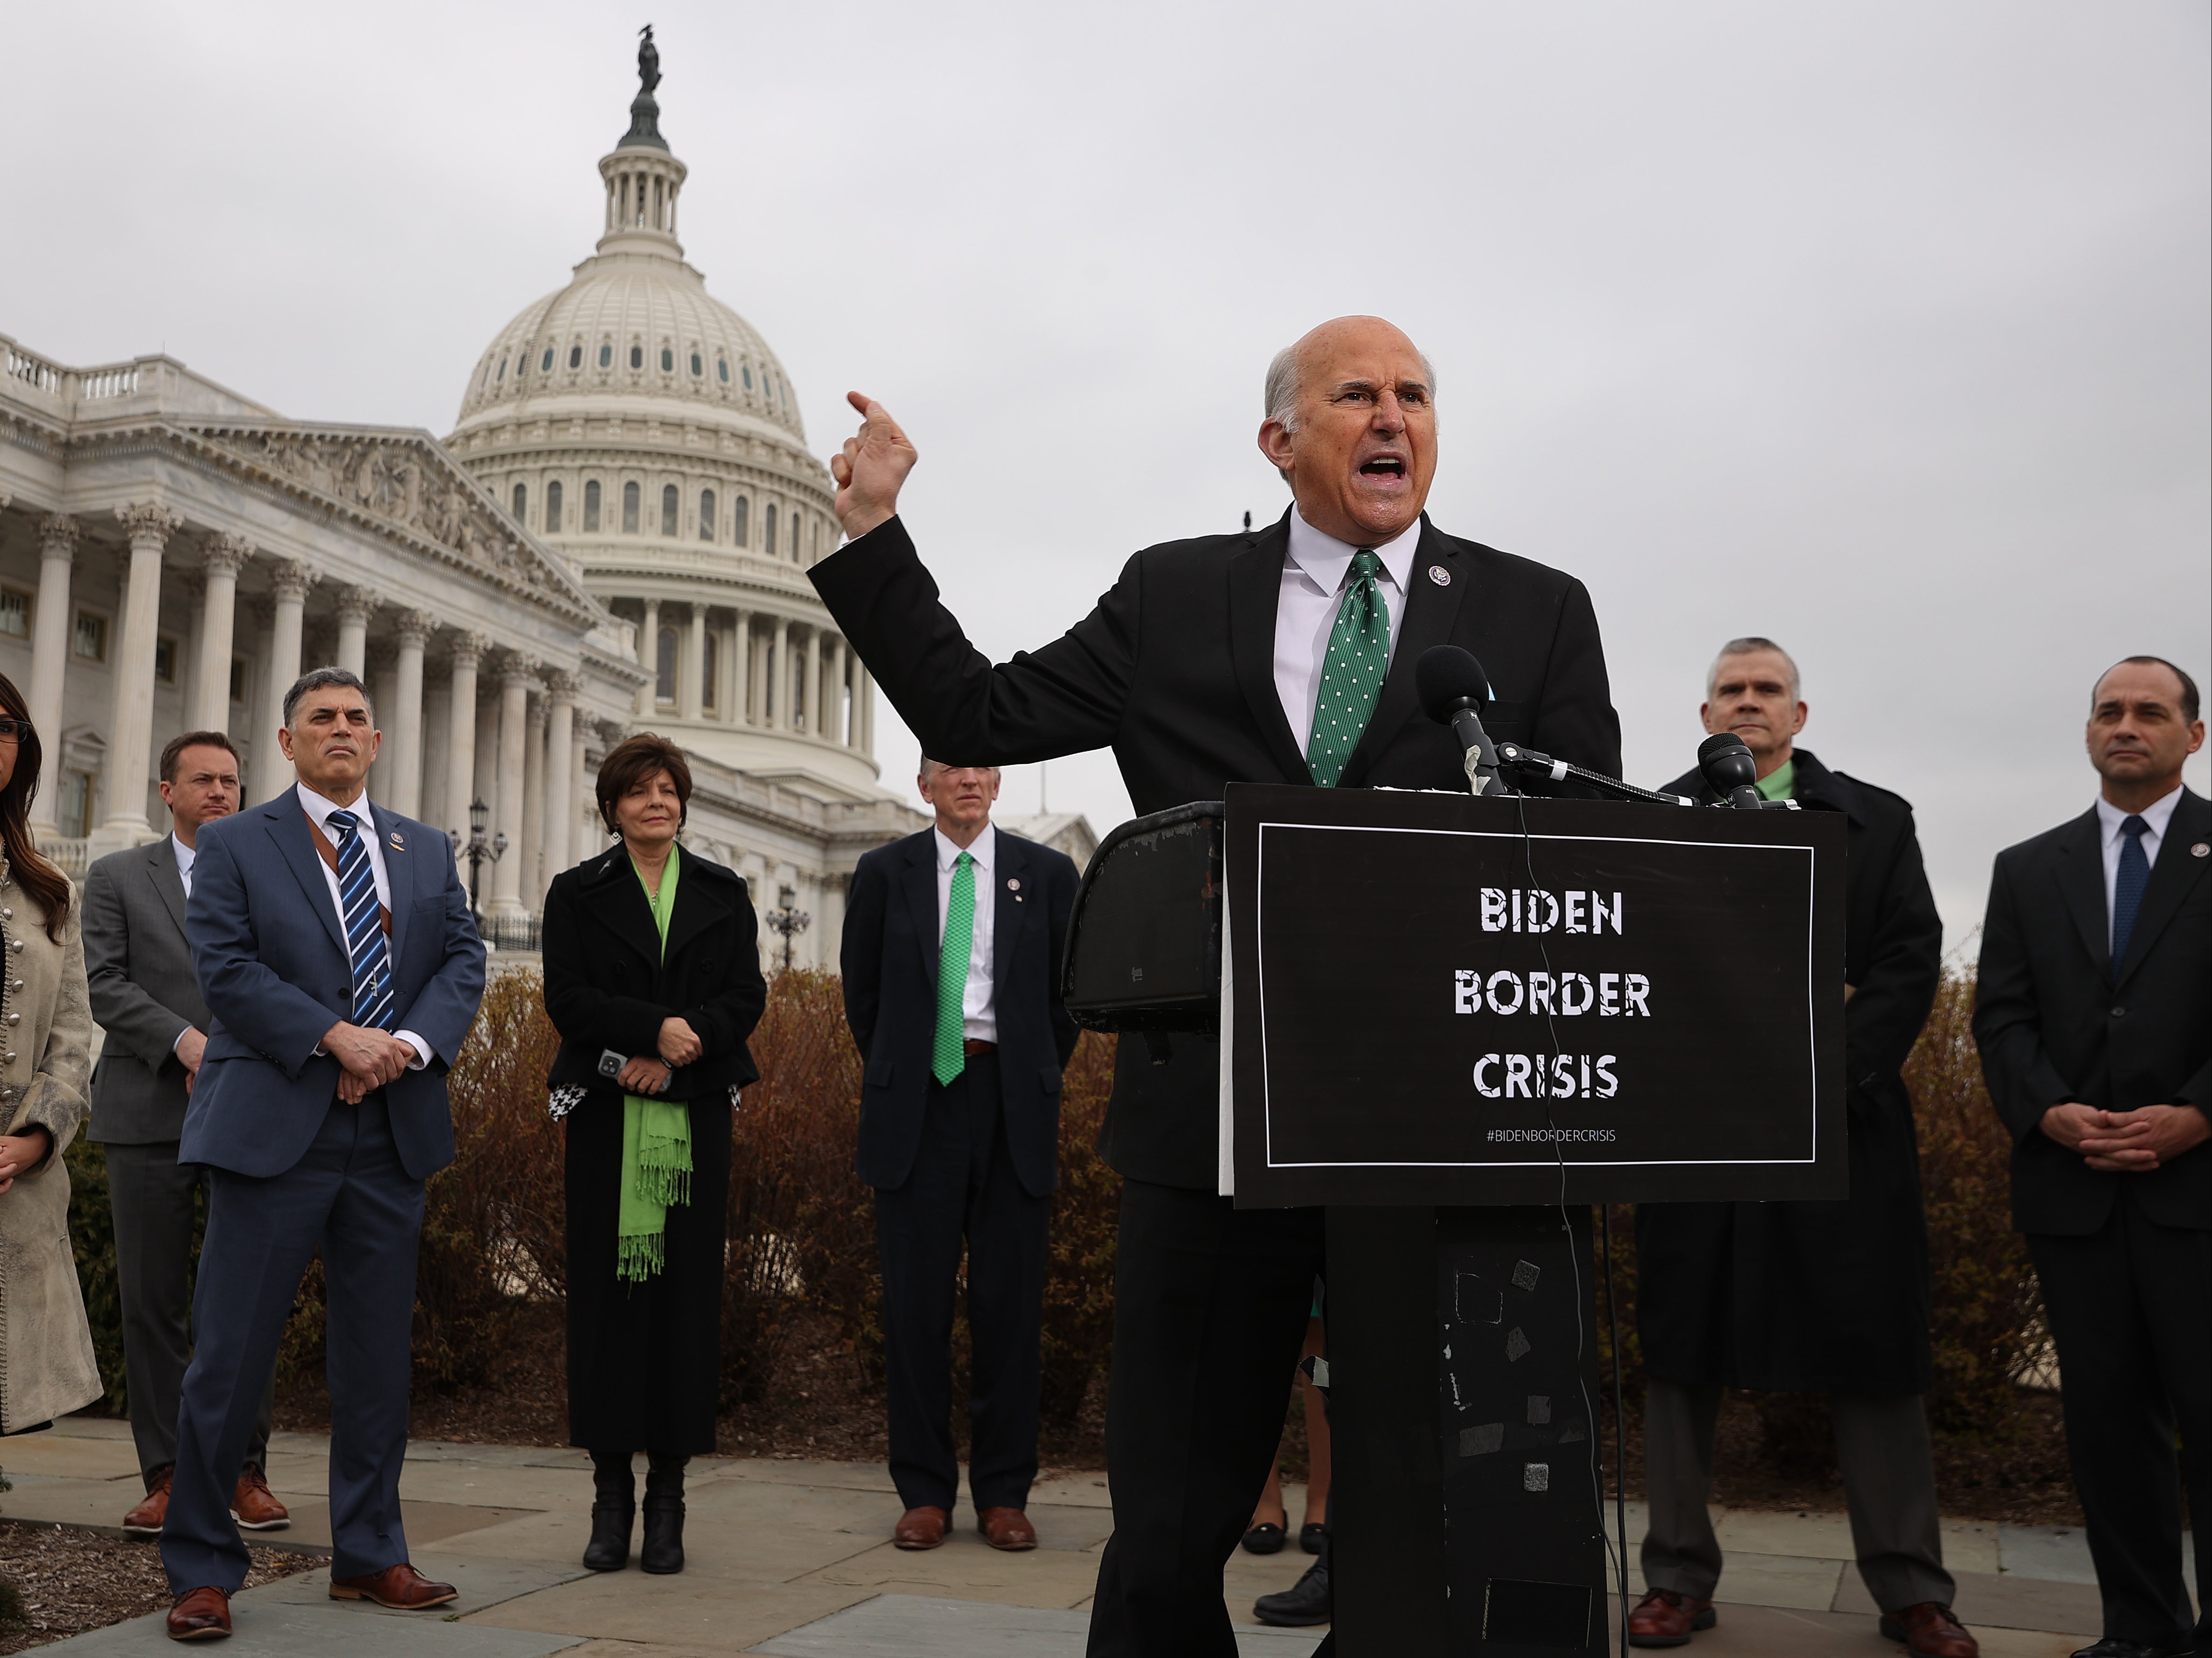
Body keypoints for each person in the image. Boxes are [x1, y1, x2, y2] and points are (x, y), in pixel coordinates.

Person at [810, 316, 1620, 1657]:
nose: (1389, 418)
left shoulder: (1533, 614)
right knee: (1173, 1511)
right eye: (1353, 395)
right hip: (1211, 1123)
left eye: (1412, 396)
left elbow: (1577, 862)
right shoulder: (1176, 593)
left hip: (1434, 1129)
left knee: (1426, 1507)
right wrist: (876, 531)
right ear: (1278, 441)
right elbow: (974, 715)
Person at [1629, 638, 1972, 1657]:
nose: (1748, 704)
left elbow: (1907, 967)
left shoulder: (1878, 820)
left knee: (1874, 1348)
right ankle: (1677, 1577)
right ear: (1705, 717)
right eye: (1729, 691)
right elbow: (1635, 969)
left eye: (1765, 690)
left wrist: (1818, 1072)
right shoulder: (1651, 818)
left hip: (1846, 1125)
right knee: (1683, 1351)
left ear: (1800, 714)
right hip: (1698, 1129)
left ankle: (1912, 1588)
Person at [161, 668, 485, 1641]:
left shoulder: (423, 849)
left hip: (390, 1134)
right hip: (274, 1133)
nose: (341, 731)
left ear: (375, 743)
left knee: (378, 1361)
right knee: (230, 1358)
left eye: (355, 719)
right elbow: (226, 968)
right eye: (321, 720)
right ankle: (204, 1568)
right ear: (288, 741)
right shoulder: (233, 843)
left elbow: (463, 958)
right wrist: (334, 1037)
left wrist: (406, 1049)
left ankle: (372, 1553)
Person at [1974, 656, 2208, 1658]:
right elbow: (2003, 1018)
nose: (2127, 725)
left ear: (2192, 735)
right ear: (2087, 731)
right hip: (2073, 1192)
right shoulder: (2030, 868)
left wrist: (2196, 1116)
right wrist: (2053, 1112)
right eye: (2110, 710)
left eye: (2151, 712)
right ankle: (2142, 1632)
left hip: (2199, 1188)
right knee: (2109, 1432)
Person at [839, 759, 1079, 1553]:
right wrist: (911, 1066)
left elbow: (1065, 998)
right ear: (926, 785)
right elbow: (862, 994)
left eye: (982, 768)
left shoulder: (1046, 874)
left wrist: (1026, 1069)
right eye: (952, 770)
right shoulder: (884, 872)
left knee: (1010, 1310)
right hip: (919, 1106)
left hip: (1011, 1104)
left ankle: (1005, 1494)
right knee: (916, 1311)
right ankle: (924, 1492)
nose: (968, 782)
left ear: (998, 784)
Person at [541, 734, 767, 1577]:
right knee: (606, 1309)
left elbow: (747, 994)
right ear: (613, 807)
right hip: (606, 1116)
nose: (656, 803)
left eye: (668, 789)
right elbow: (566, 995)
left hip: (697, 1116)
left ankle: (667, 1504)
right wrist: (647, 1032)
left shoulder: (724, 891)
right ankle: (609, 1503)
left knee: (683, 1310)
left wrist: (687, 1042)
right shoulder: (576, 894)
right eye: (639, 791)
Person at [83, 731, 287, 1538]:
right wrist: (186, 1042)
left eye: (232, 781)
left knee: (244, 1301)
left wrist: (235, 1051)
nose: (220, 793)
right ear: (165, 791)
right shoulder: (116, 877)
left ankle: (244, 1471)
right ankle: (167, 1475)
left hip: (251, 1113)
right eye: (202, 780)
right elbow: (106, 984)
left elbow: (287, 984)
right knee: (155, 1302)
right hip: (148, 1111)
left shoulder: (273, 881)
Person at [0, 671, 103, 1439]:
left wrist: (35, 1138)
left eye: (7, 728)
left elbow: (72, 1040)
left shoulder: (50, 891)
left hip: (14, 1176)